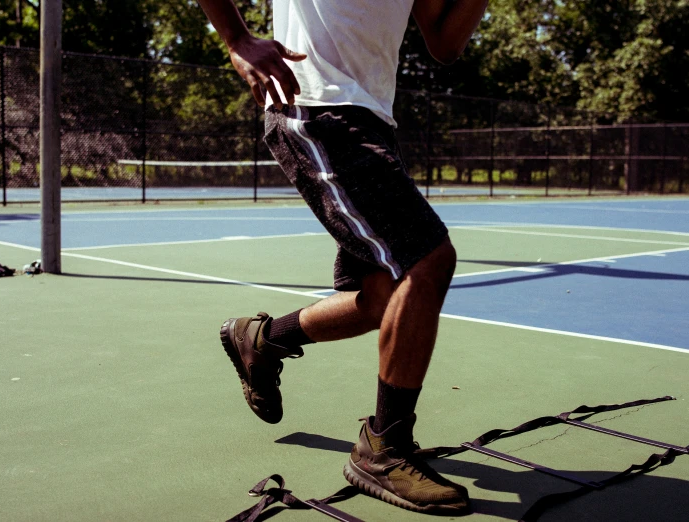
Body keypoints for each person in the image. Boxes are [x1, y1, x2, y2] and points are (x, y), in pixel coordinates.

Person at [199, 0, 488, 514]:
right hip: (316, 105)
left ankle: (262, 339)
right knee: (428, 260)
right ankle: (384, 448)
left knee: (381, 298)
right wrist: (236, 39)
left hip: (372, 117)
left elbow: (444, 43)